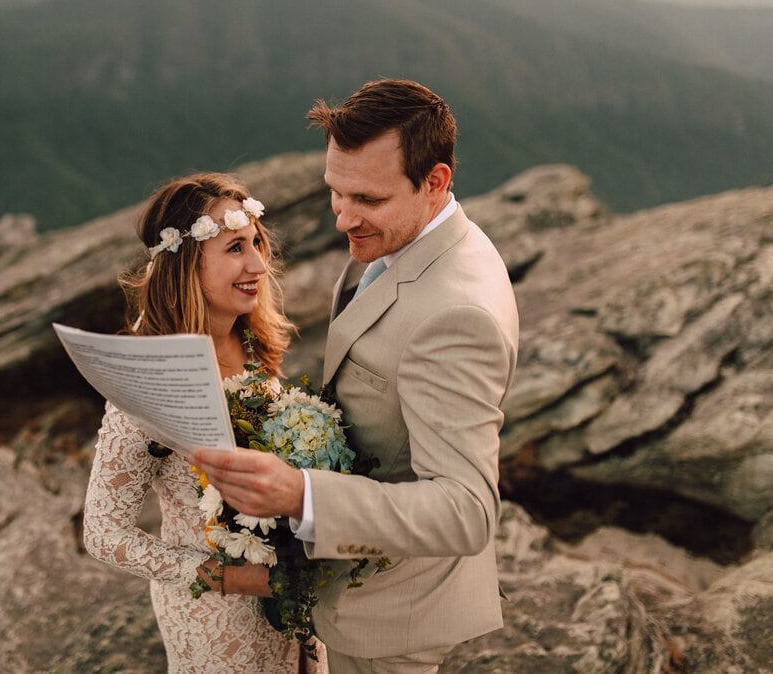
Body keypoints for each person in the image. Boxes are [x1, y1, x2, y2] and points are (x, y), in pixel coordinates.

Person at [191, 79, 520, 671]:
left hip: (395, 613)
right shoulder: (408, 239)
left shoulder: (455, 314)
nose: (343, 218)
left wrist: (301, 494)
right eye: (334, 193)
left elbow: (467, 511)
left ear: (436, 181)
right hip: (362, 581)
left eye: (366, 199)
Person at [82, 172, 327, 672]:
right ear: (186, 263)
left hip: (296, 607)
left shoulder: (253, 344)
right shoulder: (149, 375)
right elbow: (103, 532)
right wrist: (227, 577)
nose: (259, 264)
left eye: (258, 243)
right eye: (236, 248)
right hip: (216, 625)